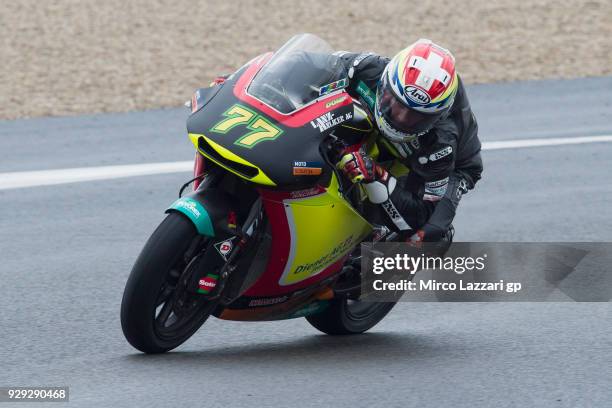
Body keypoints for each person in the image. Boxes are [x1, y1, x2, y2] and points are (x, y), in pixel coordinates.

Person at [334, 39, 483, 245]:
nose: (401, 119)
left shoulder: (441, 144)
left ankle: (369, 269)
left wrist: (376, 175)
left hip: (452, 166)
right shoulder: (368, 68)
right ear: (386, 81)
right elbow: (313, 65)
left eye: (415, 117)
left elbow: (419, 213)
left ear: (435, 118)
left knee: (430, 233)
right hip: (391, 140)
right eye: (396, 104)